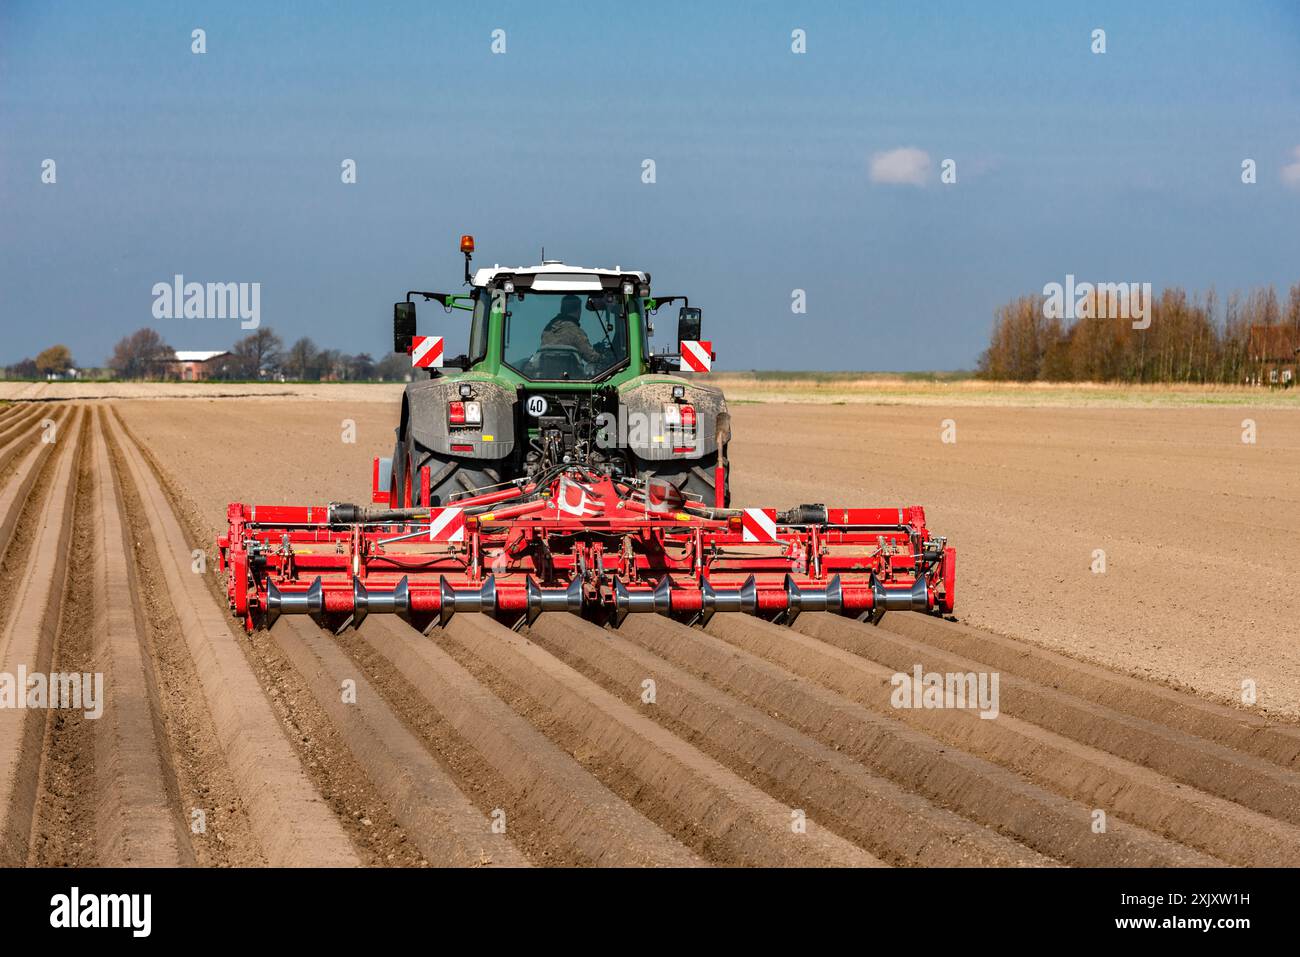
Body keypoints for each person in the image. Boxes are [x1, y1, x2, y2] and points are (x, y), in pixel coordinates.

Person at [539, 295, 599, 364]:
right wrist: (603, 356)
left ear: (562, 309)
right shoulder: (576, 332)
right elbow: (592, 357)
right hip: (570, 374)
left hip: (545, 372)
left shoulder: (548, 329)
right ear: (578, 310)